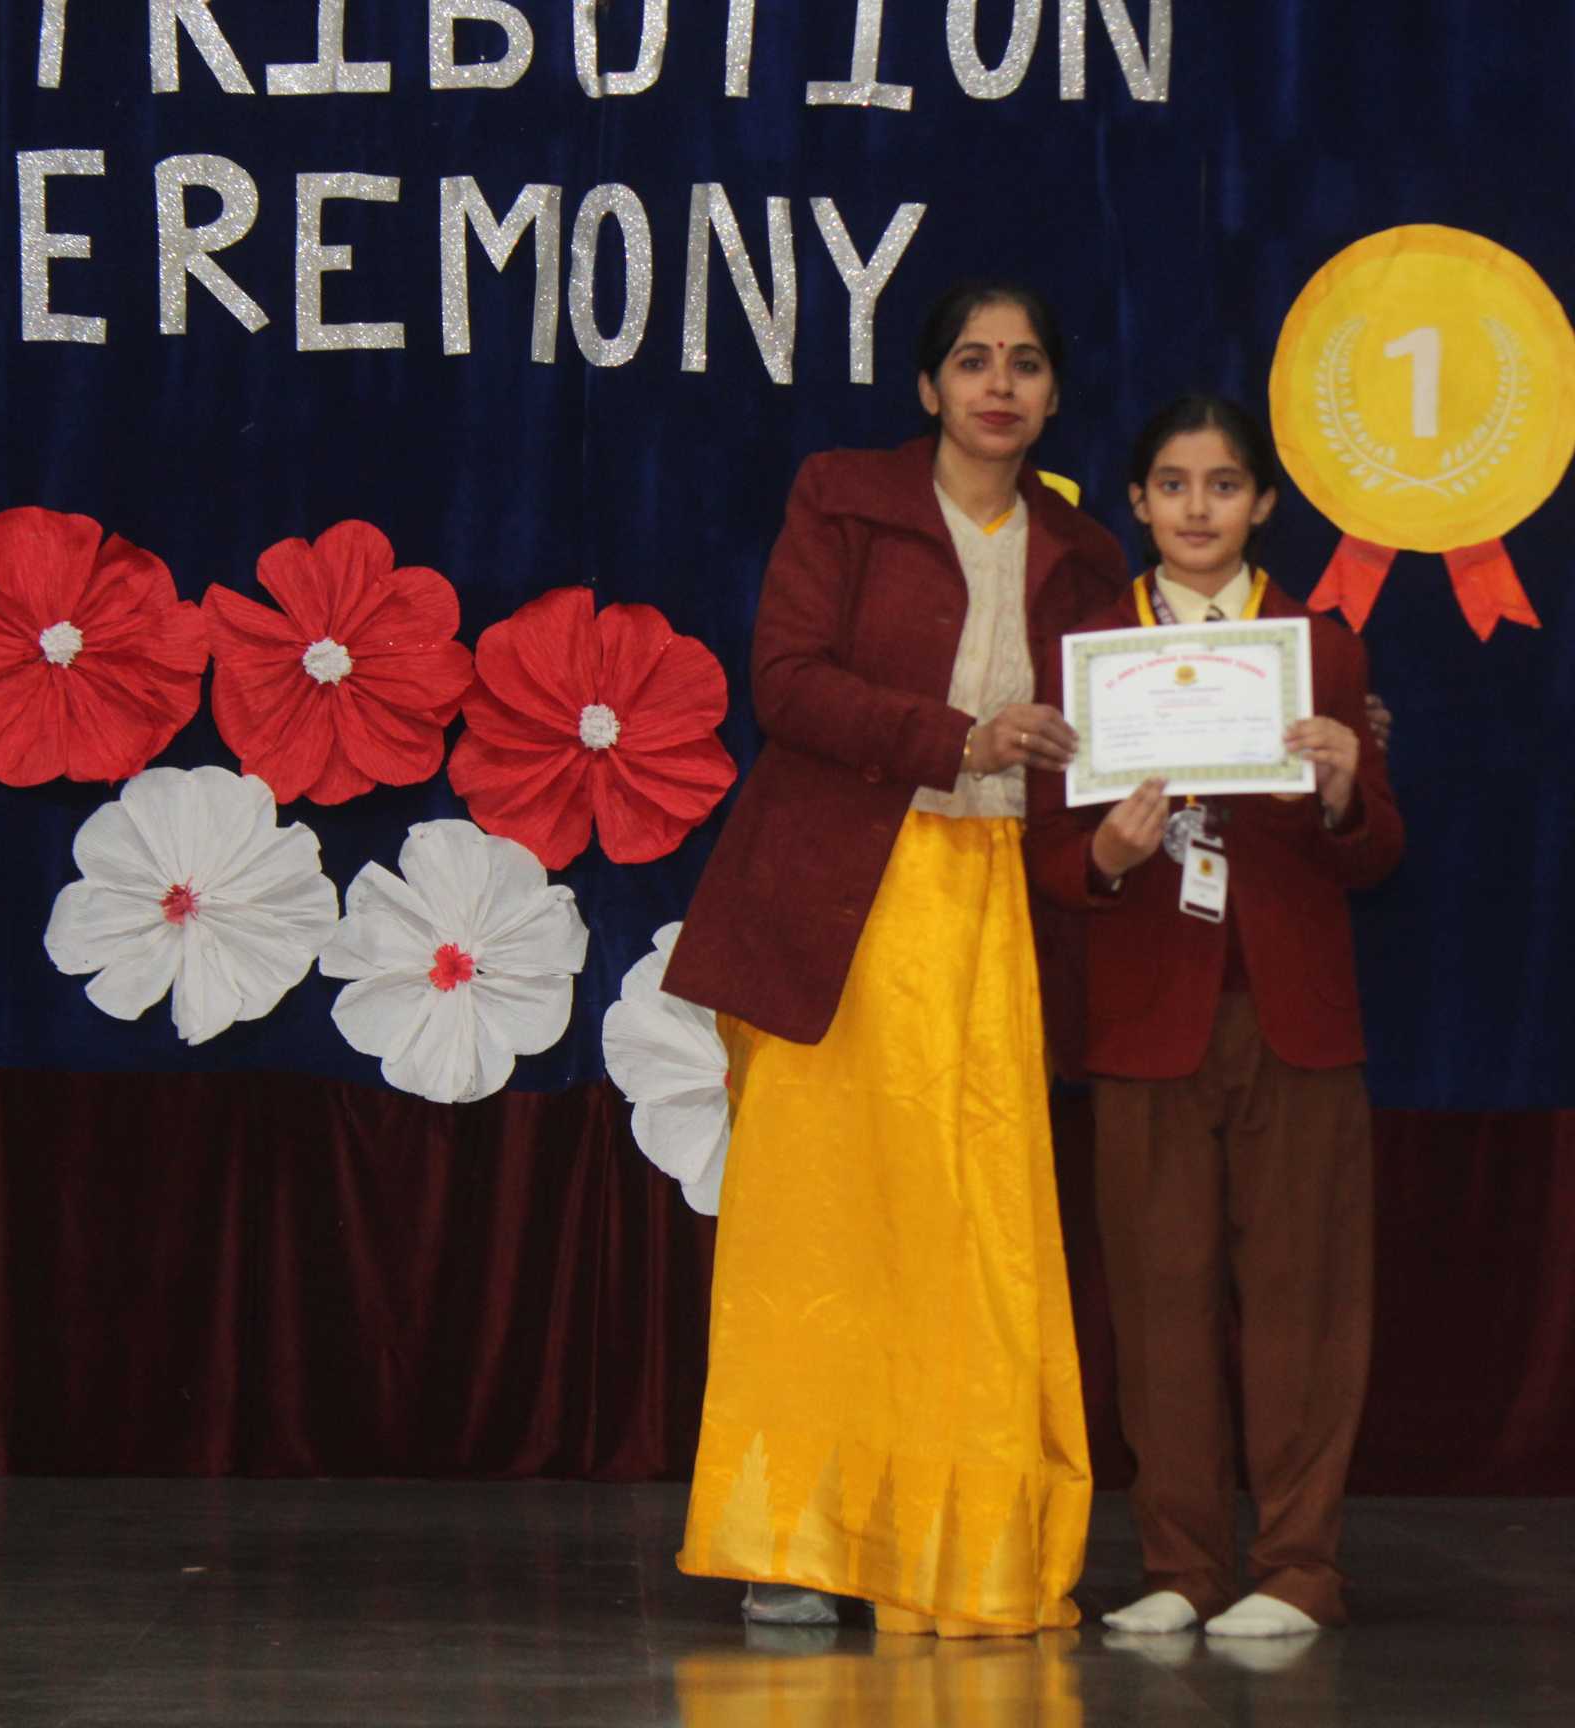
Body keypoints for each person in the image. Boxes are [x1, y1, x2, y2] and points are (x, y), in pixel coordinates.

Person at [661, 281, 1128, 1636]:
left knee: (974, 1231)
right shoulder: (846, 497)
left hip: (995, 909)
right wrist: (956, 740)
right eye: (973, 361)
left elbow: (1119, 730)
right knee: (816, 1228)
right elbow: (786, 681)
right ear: (929, 388)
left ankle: (963, 1542)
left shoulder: (1086, 553)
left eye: (1025, 363)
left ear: (1054, 394)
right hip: (838, 904)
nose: (1000, 385)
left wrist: (1287, 722)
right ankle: (796, 1542)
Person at [1024, 394, 1403, 1638]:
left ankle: (1297, 1569)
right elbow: (1051, 856)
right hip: (1148, 1018)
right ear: (1137, 502)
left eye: (1225, 485)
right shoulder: (1090, 650)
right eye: (1175, 485)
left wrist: (1344, 790)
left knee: (1303, 1296)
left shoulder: (1322, 649)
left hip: (1295, 1016)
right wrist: (1110, 856)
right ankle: (1180, 1569)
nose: (1199, 509)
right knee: (1158, 1301)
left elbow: (1377, 854)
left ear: (1264, 504)